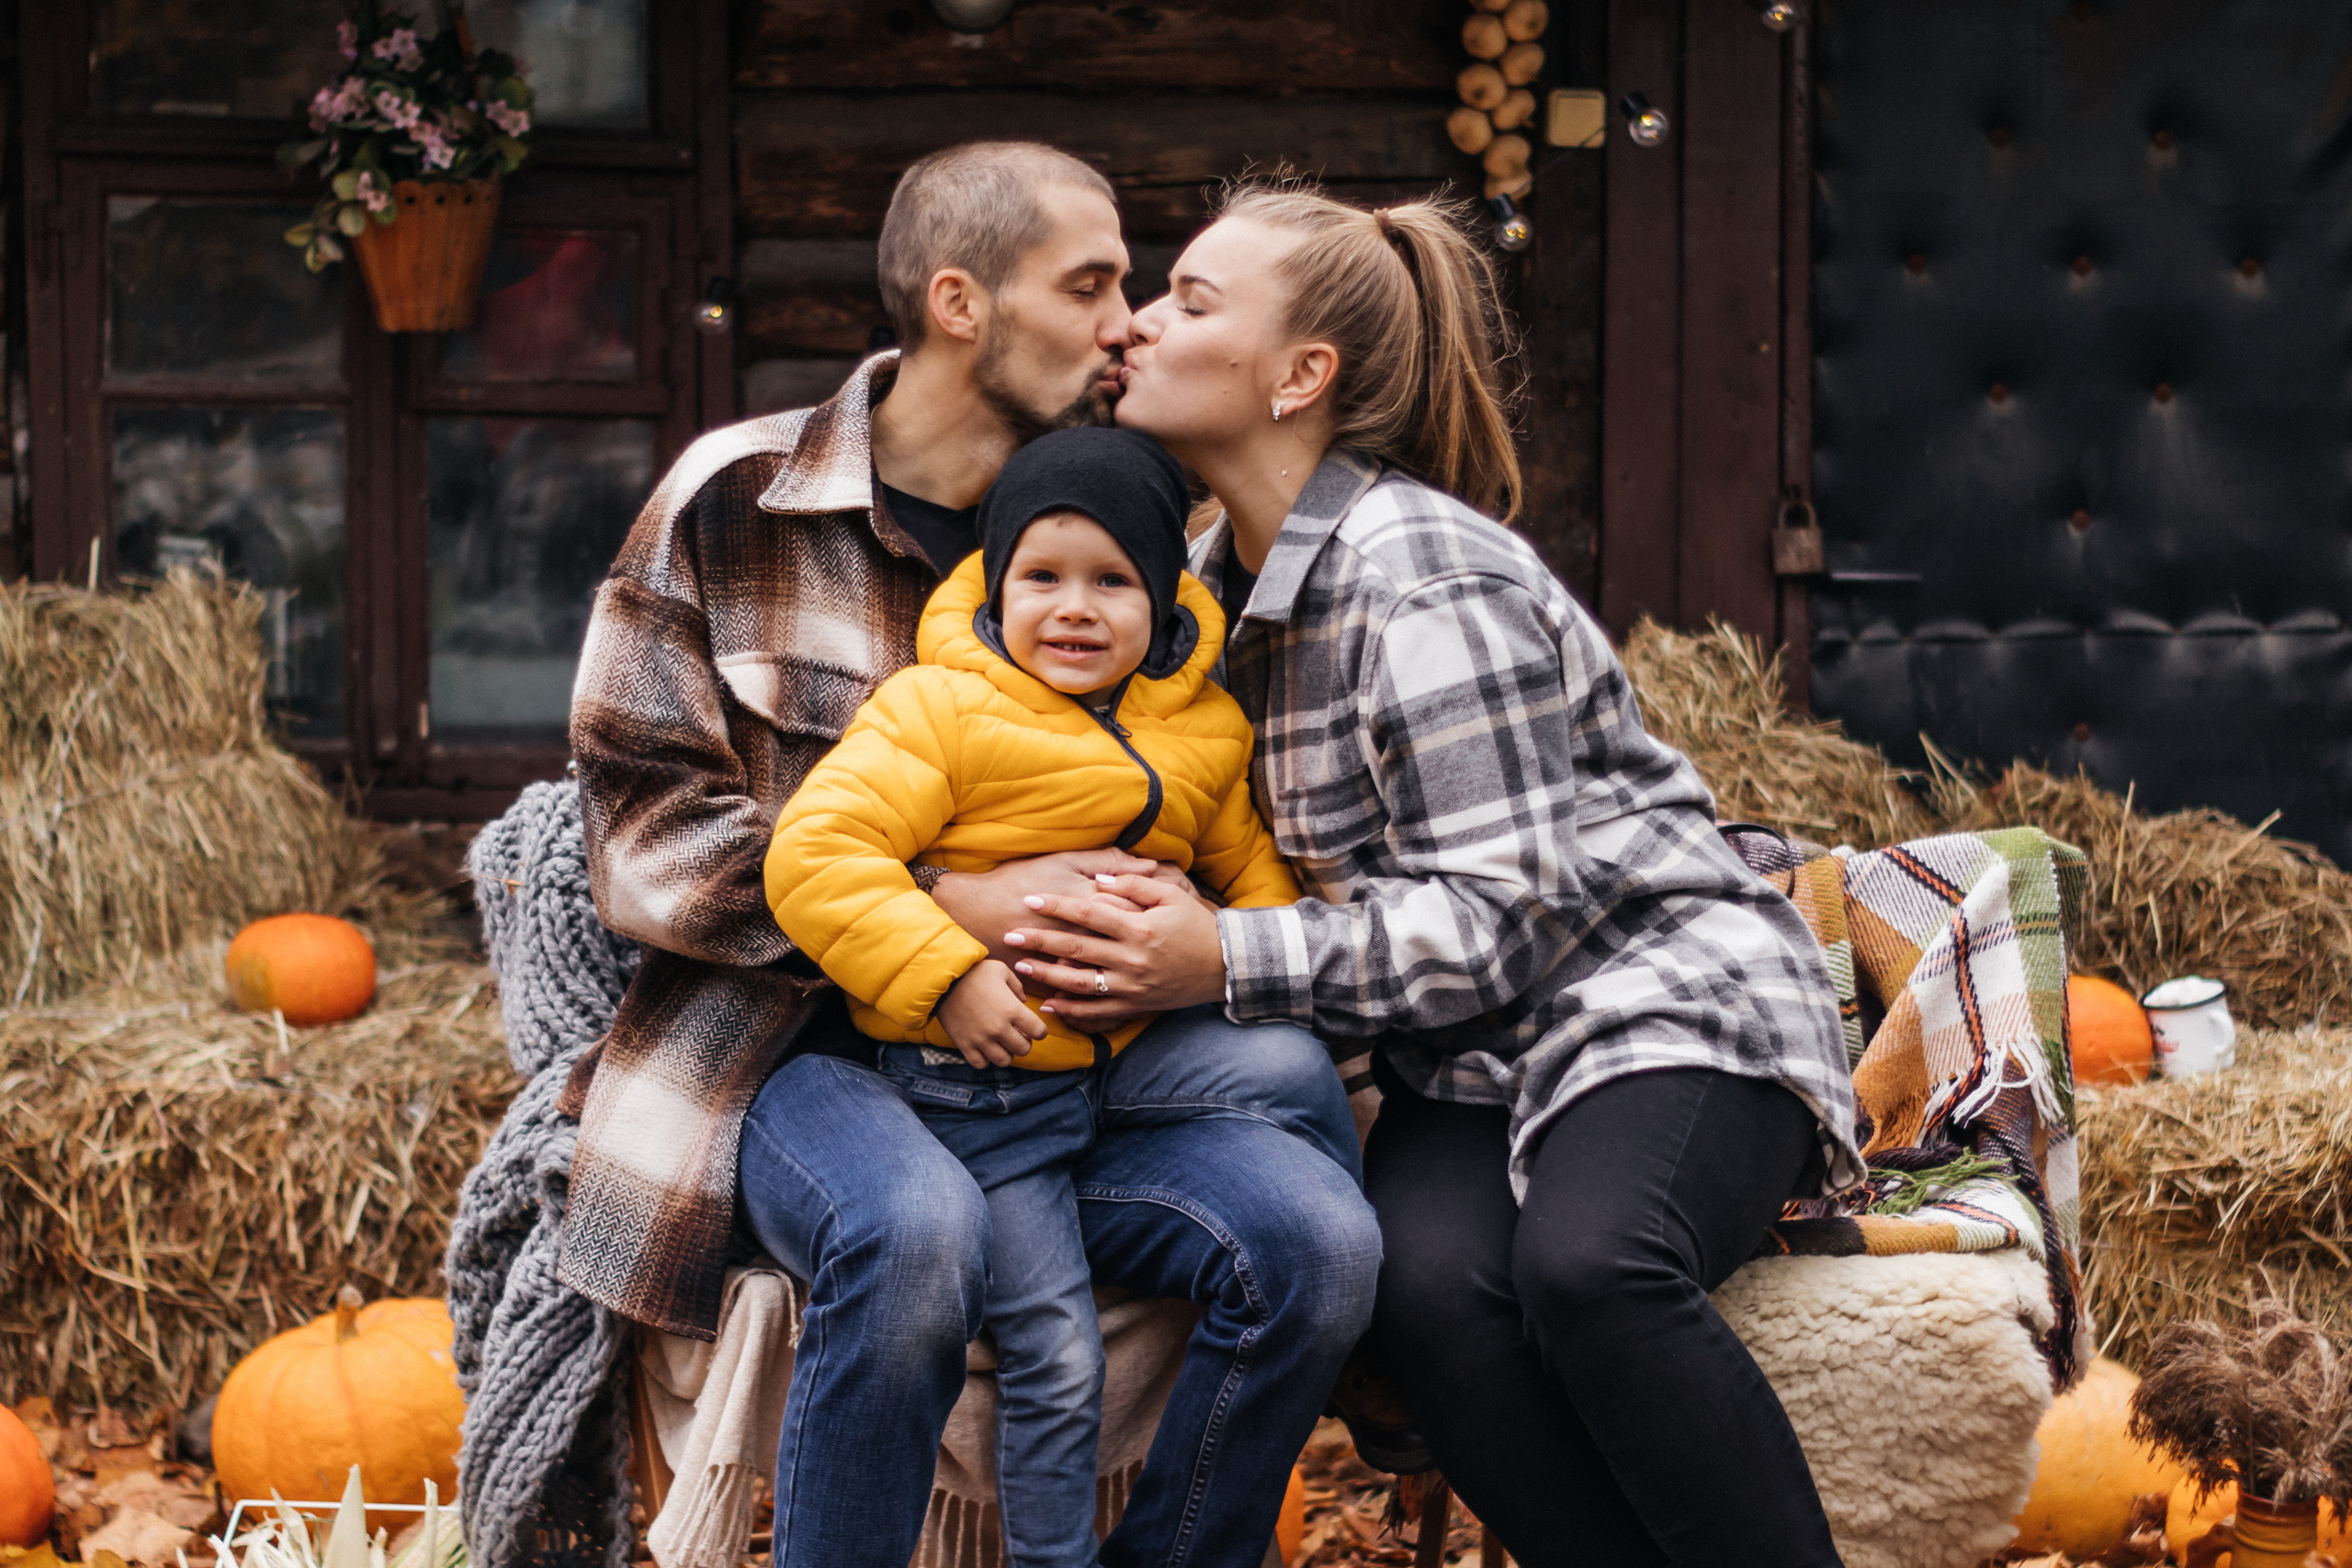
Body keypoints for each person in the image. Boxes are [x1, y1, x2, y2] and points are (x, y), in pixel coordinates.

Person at [990, 179, 1866, 1568]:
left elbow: (1499, 920)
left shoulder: (1419, 579)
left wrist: (1219, 955)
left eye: (1193, 301)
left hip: (1659, 999)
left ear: (1301, 376)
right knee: (1426, 1293)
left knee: (1590, 1264)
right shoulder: (1205, 588)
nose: (1142, 324)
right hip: (1465, 1059)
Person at [565, 147, 1379, 1568]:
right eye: (1094, 283)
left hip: (1081, 1067)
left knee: (1319, 1242)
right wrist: (946, 907)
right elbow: (641, 836)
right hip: (791, 1056)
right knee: (917, 1227)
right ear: (959, 302)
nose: (1131, 319)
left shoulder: (1131, 525)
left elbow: (1218, 791)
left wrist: (1192, 924)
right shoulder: (734, 497)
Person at [765, 425, 1316, 1568]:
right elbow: (815, 855)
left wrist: (1225, 946)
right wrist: (950, 969)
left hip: (1117, 1063)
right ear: (997, 585)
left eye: (1112, 581)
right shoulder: (942, 710)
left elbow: (1251, 874)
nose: (1074, 608)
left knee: (1301, 1077)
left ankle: (1347, 1337)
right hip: (982, 1099)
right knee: (1056, 1351)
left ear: (1165, 598)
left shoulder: (1200, 731)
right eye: (1043, 577)